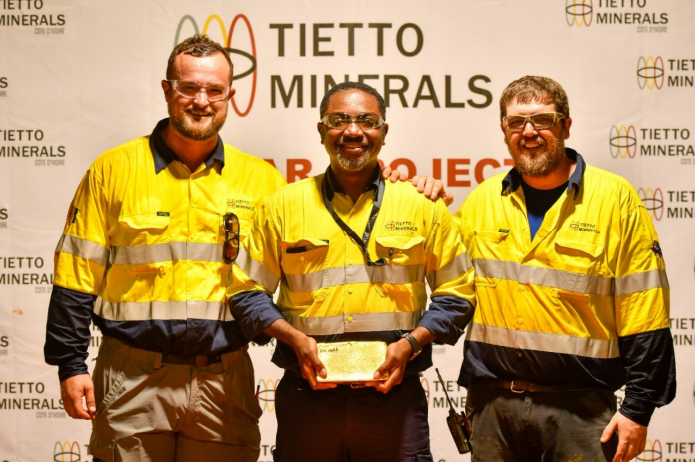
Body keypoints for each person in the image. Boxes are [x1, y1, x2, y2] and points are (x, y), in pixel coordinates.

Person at [43, 35, 449, 462]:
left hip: (224, 379)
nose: (201, 101)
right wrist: (70, 365)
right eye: (188, 88)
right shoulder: (113, 170)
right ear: (167, 91)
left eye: (214, 90)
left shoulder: (263, 183)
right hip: (131, 375)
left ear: (230, 97)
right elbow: (75, 275)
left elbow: (331, 216)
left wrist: (400, 186)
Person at [227, 81, 476, 462]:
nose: (353, 131)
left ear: (384, 132)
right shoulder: (281, 206)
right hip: (306, 397)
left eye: (367, 121)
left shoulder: (422, 207)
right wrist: (294, 339)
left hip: (394, 397)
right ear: (322, 131)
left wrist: (409, 345)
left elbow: (457, 294)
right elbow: (245, 293)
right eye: (339, 120)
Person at [455, 75, 676, 462]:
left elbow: (646, 311)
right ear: (504, 131)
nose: (529, 132)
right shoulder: (481, 201)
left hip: (581, 412)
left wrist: (639, 408)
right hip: (492, 409)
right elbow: (440, 270)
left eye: (542, 119)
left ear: (565, 125)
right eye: (516, 122)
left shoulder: (614, 199)